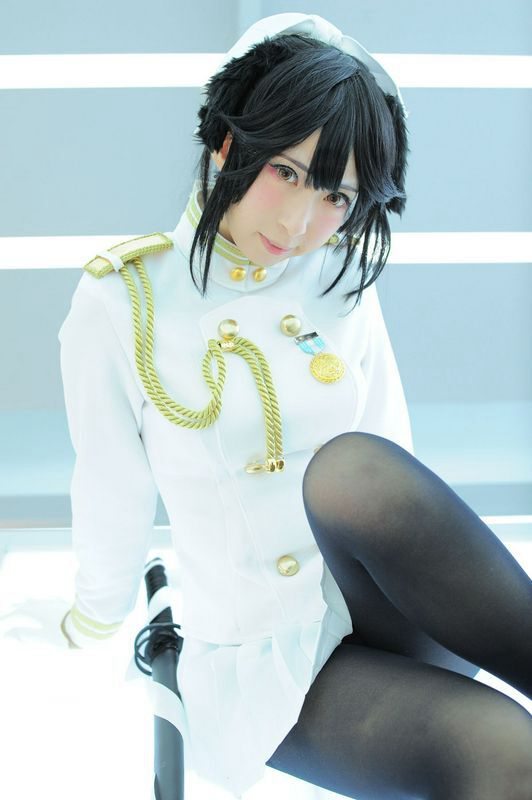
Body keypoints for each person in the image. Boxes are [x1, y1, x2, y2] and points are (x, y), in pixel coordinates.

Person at [57, 12, 532, 800]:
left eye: (336, 196)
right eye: (286, 171)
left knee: (355, 467)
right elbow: (112, 487)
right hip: (264, 656)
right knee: (509, 750)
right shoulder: (125, 301)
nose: (299, 222)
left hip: (375, 609)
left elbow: (397, 477)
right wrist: (92, 615)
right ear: (227, 142)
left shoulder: (339, 282)